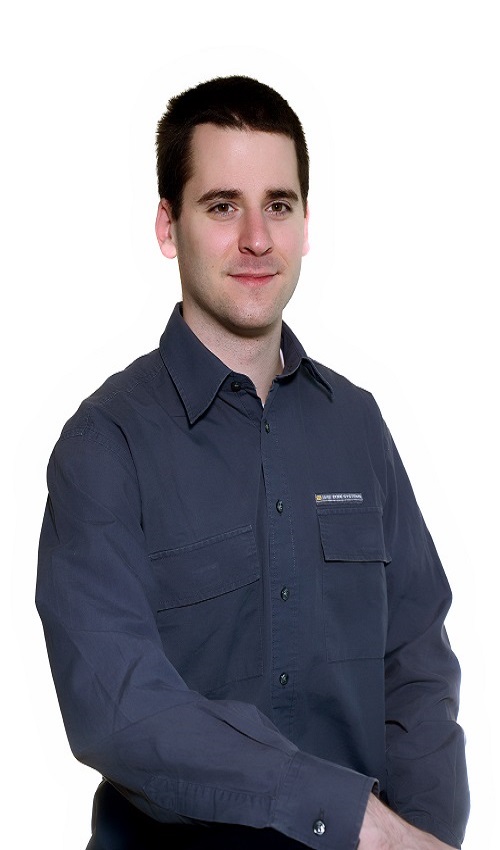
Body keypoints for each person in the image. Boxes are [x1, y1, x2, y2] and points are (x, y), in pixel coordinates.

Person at [36, 75, 469, 849]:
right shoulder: (105, 443)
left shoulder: (357, 424)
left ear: (305, 224)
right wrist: (355, 819)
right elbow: (122, 708)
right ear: (168, 227)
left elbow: (416, 665)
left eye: (279, 205)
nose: (257, 239)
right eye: (221, 206)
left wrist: (425, 835)